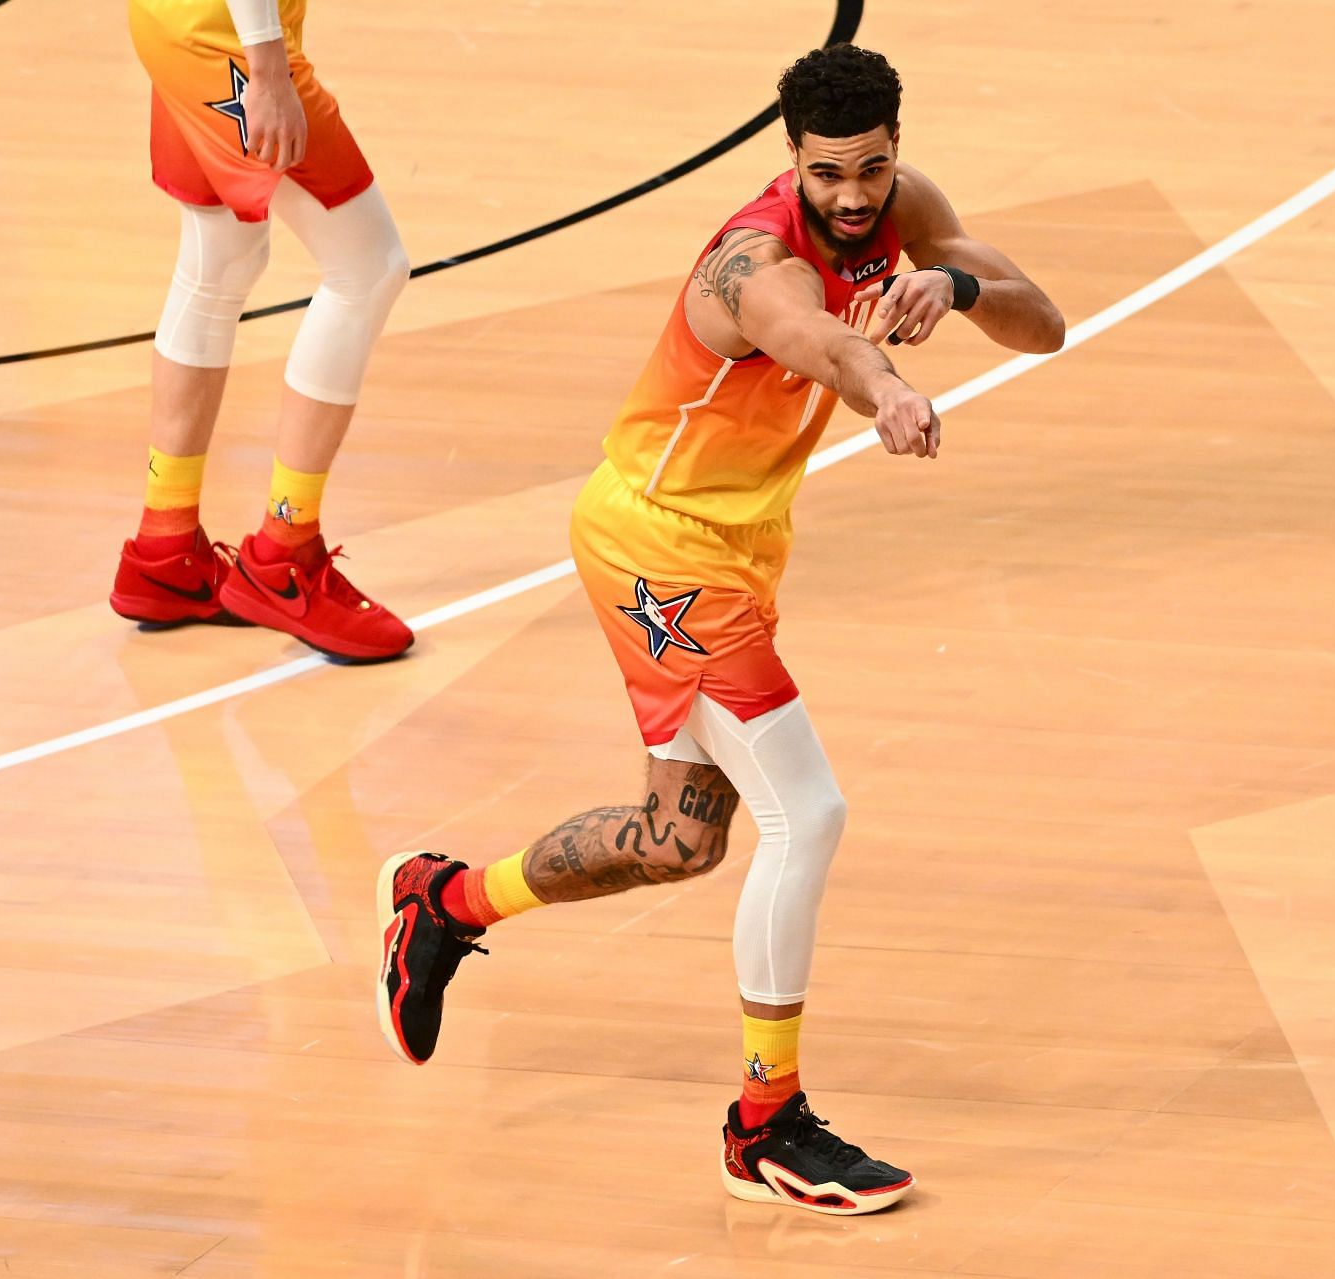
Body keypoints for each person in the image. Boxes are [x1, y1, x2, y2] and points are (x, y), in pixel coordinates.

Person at [377, 43, 1063, 1215]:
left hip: (733, 551)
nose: (854, 198)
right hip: (660, 548)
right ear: (788, 161)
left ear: (897, 152)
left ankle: (442, 903)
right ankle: (766, 1124)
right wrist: (888, 387)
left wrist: (950, 288)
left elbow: (1041, 323)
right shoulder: (752, 264)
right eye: (829, 174)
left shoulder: (909, 212)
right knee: (812, 810)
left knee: (678, 840)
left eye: (874, 171)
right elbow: (820, 341)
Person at [109, 0, 414, 662]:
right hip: (229, 42)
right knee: (368, 268)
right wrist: (268, 69)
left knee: (220, 257)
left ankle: (165, 546)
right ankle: (285, 552)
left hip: (182, 25)